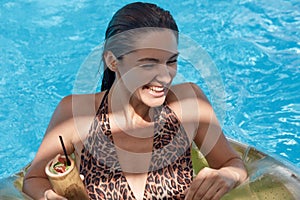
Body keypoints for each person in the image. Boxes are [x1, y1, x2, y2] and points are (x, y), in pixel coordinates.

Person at [23, 2, 247, 200]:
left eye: (171, 61)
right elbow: (33, 178)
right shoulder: (76, 114)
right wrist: (48, 196)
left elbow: (232, 163)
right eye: (148, 64)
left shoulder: (188, 104)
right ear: (113, 61)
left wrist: (228, 176)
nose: (165, 76)